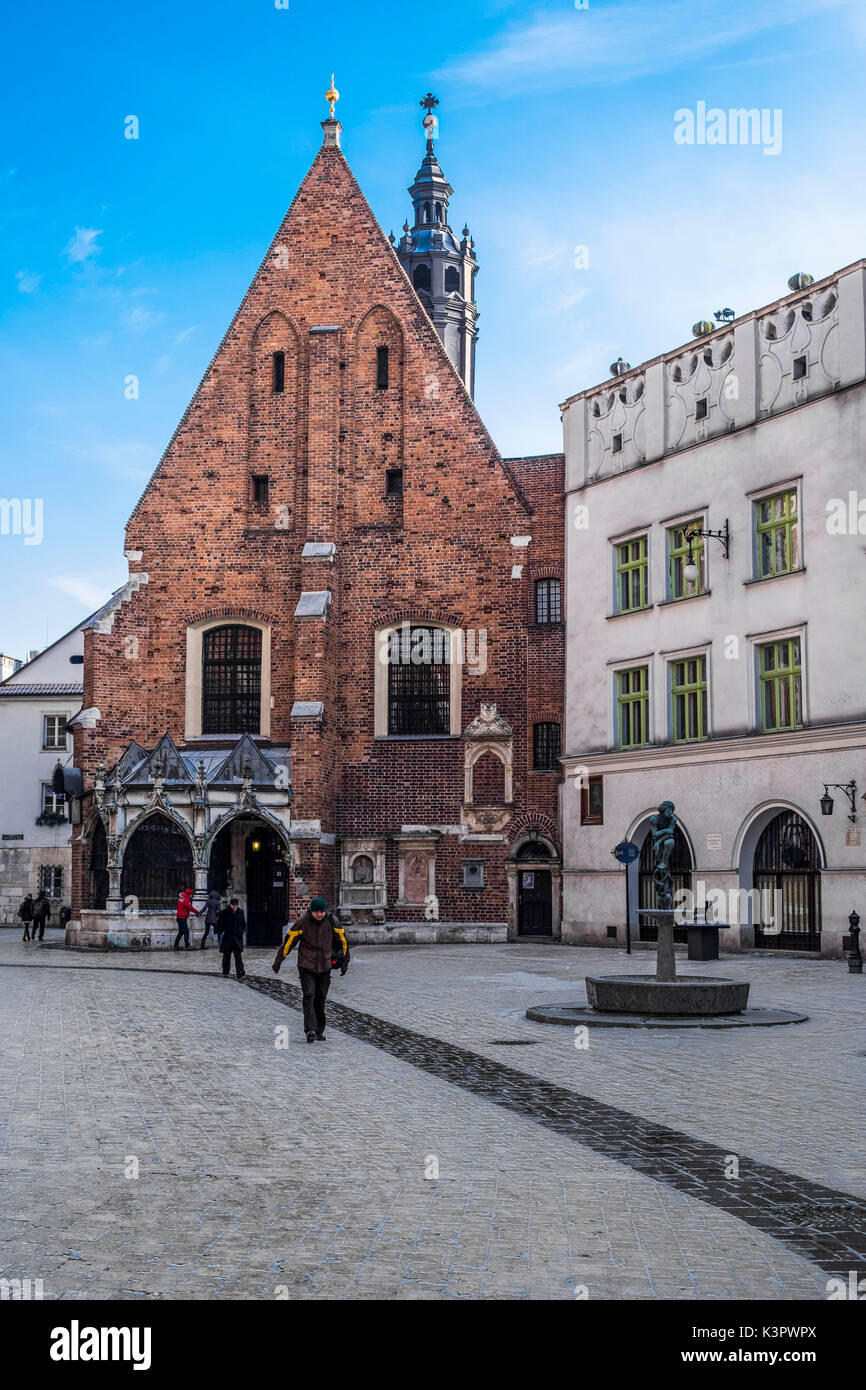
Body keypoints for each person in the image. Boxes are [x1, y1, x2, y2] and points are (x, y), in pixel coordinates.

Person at [272, 896, 349, 1042]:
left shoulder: (332, 922)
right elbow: (288, 942)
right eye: (316, 912)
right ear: (311, 911)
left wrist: (345, 962)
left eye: (322, 912)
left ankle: (319, 1030)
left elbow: (343, 942)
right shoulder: (302, 923)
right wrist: (279, 961)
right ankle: (310, 1030)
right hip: (306, 965)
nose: (319, 915)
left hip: (325, 966)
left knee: (320, 998)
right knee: (309, 995)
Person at [216, 898, 246, 979]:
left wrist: (241, 931)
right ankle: (225, 972)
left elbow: (243, 924)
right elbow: (219, 924)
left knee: (238, 956)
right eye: (233, 905)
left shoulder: (240, 912)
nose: (235, 907)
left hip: (237, 938)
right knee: (226, 956)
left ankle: (240, 972)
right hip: (227, 937)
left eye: (236, 906)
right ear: (230, 905)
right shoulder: (224, 912)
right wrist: (221, 931)